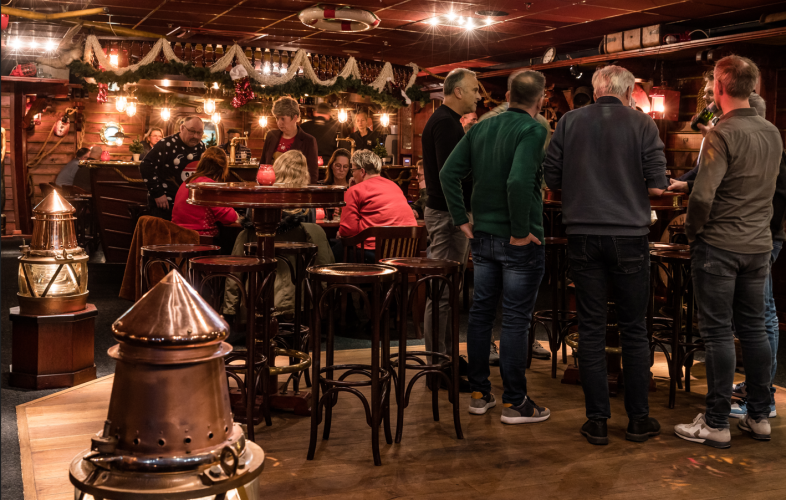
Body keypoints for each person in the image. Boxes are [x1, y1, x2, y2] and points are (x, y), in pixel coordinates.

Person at [544, 65, 668, 445]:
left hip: (582, 233)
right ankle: (638, 420)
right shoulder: (643, 125)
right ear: (630, 92)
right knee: (634, 329)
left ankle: (597, 421)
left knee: (592, 329)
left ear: (597, 90)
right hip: (629, 235)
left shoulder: (568, 122)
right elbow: (658, 183)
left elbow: (550, 176)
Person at [674, 56, 783, 448]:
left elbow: (703, 194)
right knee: (754, 331)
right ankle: (759, 415)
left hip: (720, 244)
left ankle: (717, 422)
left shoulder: (721, 132)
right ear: (752, 87)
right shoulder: (772, 131)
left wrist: (691, 231)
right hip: (759, 246)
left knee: (718, 332)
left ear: (720, 86)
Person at [441, 69, 551, 424]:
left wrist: (462, 218)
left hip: (483, 236)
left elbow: (448, 174)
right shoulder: (533, 129)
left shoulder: (482, 127)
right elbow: (519, 180)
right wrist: (520, 230)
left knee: (481, 315)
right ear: (542, 98)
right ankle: (515, 403)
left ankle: (478, 393)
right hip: (519, 240)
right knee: (516, 320)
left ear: (507, 94)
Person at [422, 68, 497, 370]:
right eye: (475, 90)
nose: (480, 95)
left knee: (446, 292)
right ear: (457, 92)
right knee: (442, 292)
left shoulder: (446, 121)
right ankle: (439, 365)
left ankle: (446, 360)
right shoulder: (447, 124)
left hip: (445, 213)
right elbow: (449, 176)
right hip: (447, 215)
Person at [669, 92, 765, 193]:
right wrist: (674, 184)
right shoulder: (727, 138)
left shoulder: (754, 146)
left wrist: (688, 186)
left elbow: (733, 184)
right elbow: (701, 171)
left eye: (711, 92)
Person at [332, 150, 416, 263]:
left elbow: (348, 231)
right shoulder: (394, 186)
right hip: (404, 254)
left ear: (362, 172)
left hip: (374, 255)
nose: (352, 174)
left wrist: (340, 233)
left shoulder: (354, 191)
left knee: (334, 248)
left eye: (353, 170)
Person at [139, 116, 206, 221]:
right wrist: (158, 194)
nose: (196, 136)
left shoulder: (201, 146)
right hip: (165, 205)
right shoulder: (165, 144)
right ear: (182, 128)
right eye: (192, 131)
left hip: (188, 204)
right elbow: (146, 166)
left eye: (199, 133)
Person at [171, 147, 238, 236]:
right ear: (223, 168)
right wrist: (237, 215)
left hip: (177, 235)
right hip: (199, 237)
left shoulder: (188, 181)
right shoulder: (209, 185)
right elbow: (229, 217)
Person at [261, 96, 319, 184]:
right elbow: (262, 166)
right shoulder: (271, 136)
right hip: (271, 189)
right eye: (277, 118)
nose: (279, 122)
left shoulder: (309, 141)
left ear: (295, 118)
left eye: (283, 118)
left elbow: (312, 175)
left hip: (296, 190)